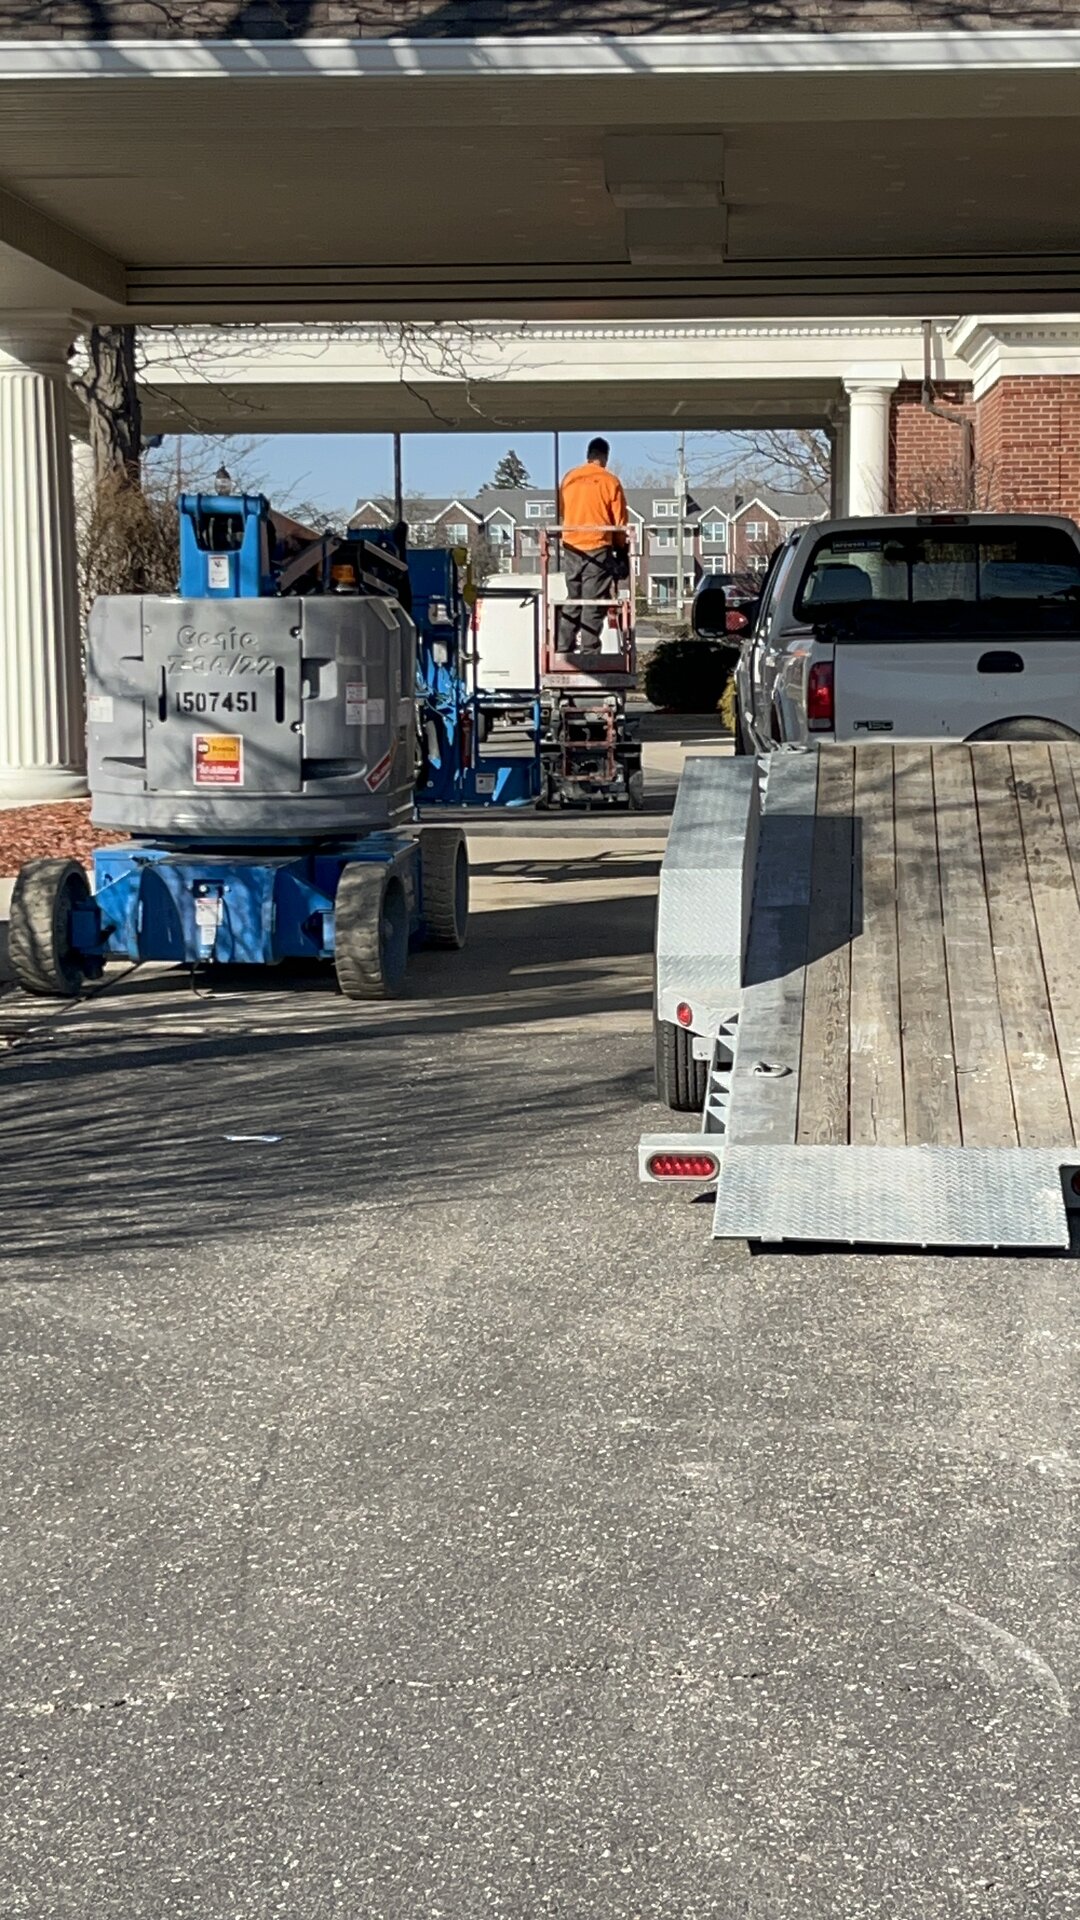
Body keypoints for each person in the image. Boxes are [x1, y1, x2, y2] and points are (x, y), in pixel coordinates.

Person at [556, 437, 629, 655]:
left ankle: (563, 648)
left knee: (573, 597)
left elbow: (563, 512)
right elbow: (619, 522)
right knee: (593, 601)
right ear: (605, 457)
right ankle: (589, 651)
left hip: (571, 544)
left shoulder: (570, 478)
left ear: (588, 455)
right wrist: (621, 551)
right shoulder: (610, 481)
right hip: (597, 545)